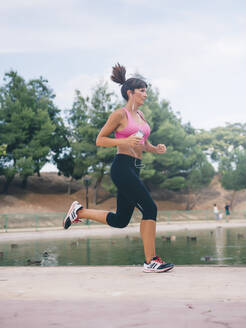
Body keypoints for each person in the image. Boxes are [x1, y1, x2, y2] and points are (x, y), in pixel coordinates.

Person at [63, 63, 174, 273]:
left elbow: (141, 143)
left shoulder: (141, 117)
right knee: (150, 208)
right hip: (122, 168)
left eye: (146, 91)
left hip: (136, 167)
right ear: (130, 92)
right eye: (142, 91)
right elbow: (100, 140)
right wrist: (123, 142)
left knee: (121, 220)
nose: (145, 95)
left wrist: (155, 148)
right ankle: (151, 260)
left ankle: (80, 212)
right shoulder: (119, 115)